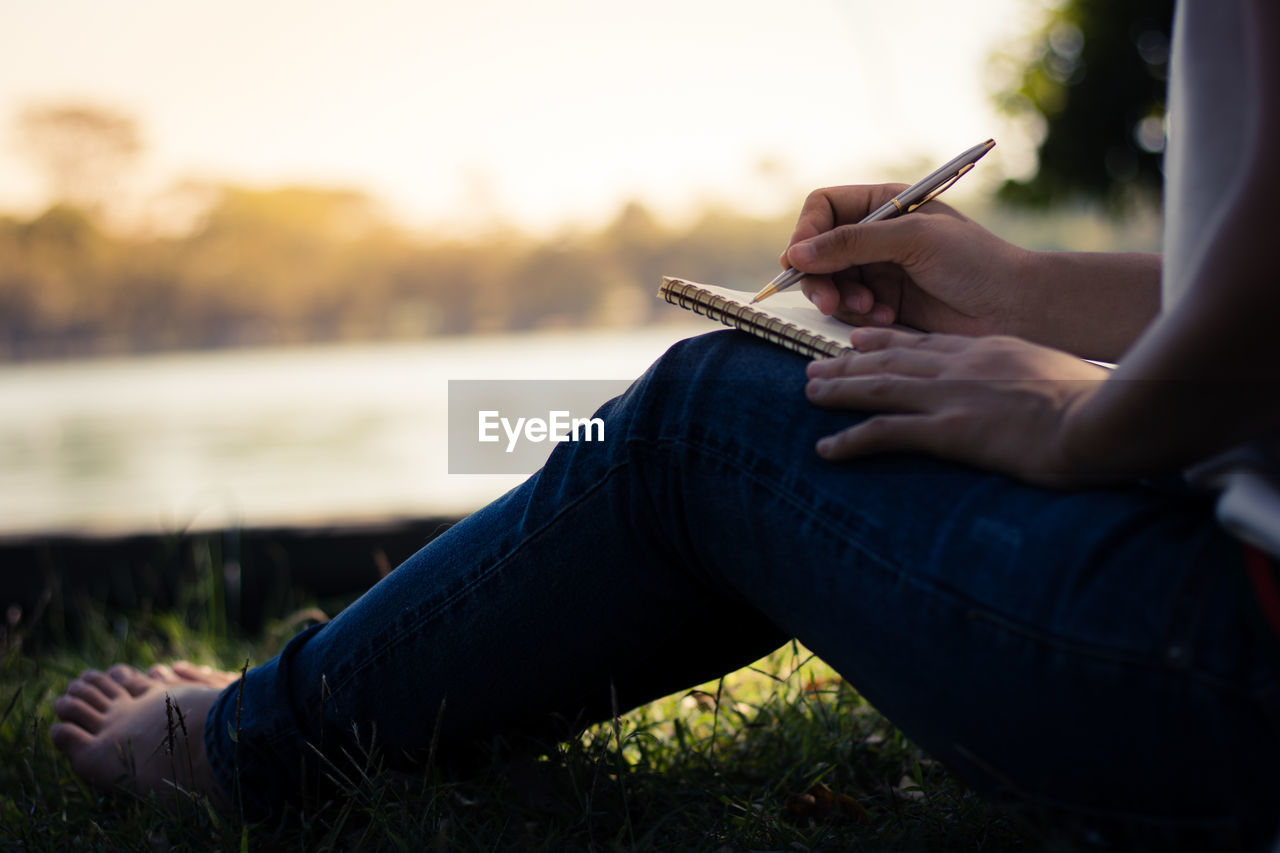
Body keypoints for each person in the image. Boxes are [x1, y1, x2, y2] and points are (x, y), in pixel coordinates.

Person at [49, 0, 1280, 847]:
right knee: (726, 414)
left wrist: (1087, 419)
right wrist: (1013, 291)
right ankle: (399, 704)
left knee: (701, 417)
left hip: (1231, 675)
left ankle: (251, 747)